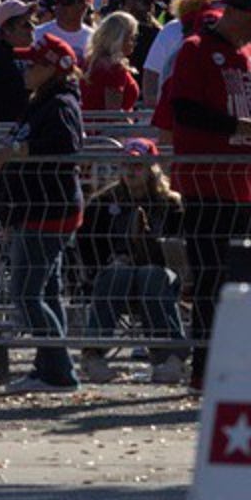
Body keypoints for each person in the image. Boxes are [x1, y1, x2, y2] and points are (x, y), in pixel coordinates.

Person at [153, 0, 251, 387]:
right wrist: (242, 126)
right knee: (212, 277)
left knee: (245, 280)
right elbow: (184, 110)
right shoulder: (195, 50)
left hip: (250, 186)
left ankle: (241, 359)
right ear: (230, 12)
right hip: (208, 184)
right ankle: (205, 366)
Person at [0, 33, 86, 392]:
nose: (25, 69)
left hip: (48, 209)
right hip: (39, 207)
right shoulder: (43, 100)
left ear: (52, 68)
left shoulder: (60, 103)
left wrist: (16, 152)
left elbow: (65, 146)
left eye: (33, 63)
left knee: (27, 293)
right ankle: (50, 369)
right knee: (45, 292)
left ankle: (59, 369)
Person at [76, 138, 186, 384]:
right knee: (118, 273)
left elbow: (179, 249)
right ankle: (93, 355)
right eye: (126, 164)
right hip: (115, 274)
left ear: (151, 169)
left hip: (160, 273)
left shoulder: (171, 203)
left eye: (137, 165)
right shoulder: (102, 202)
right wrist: (102, 265)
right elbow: (87, 247)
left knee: (151, 275)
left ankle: (170, 357)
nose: (130, 171)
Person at [81, 12, 141, 113]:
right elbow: (113, 115)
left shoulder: (90, 61)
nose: (134, 43)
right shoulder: (114, 69)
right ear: (120, 39)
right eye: (132, 38)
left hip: (88, 126)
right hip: (105, 127)